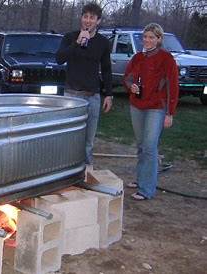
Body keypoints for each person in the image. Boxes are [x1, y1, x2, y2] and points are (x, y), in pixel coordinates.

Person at [123, 23, 179, 200]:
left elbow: (173, 86)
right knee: (141, 145)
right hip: (137, 106)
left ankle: (147, 189)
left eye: (152, 37)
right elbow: (127, 77)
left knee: (149, 146)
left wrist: (170, 113)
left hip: (156, 107)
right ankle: (141, 179)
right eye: (145, 37)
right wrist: (130, 86)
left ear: (159, 39)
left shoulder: (166, 59)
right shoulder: (138, 57)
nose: (147, 40)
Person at [56, 2, 113, 170]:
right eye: (85, 16)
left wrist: (108, 94)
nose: (88, 21)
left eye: (92, 18)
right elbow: (59, 58)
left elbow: (107, 69)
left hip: (91, 97)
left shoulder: (103, 43)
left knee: (88, 141)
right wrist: (77, 43)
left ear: (98, 21)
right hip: (71, 96)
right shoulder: (69, 37)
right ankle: (65, 172)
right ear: (81, 18)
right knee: (68, 138)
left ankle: (86, 173)